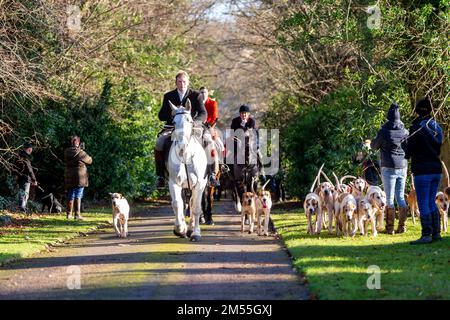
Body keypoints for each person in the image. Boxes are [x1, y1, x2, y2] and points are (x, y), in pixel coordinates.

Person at [154, 71, 207, 188]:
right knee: (159, 143)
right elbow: (161, 115)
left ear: (187, 82)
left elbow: (203, 113)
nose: (182, 84)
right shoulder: (168, 96)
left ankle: (211, 173)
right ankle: (160, 176)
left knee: (209, 141)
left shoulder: (196, 95)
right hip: (173, 127)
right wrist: (175, 115)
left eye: (184, 82)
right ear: (176, 82)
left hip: (192, 126)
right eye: (179, 81)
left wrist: (195, 122)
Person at [402, 97, 443, 245]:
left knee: (424, 203)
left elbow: (409, 150)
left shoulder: (416, 127)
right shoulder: (437, 127)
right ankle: (436, 233)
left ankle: (427, 234)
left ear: (418, 111)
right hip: (436, 169)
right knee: (432, 202)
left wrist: (404, 146)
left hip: (422, 170)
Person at [371, 103, 409, 234]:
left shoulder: (384, 131)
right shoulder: (405, 131)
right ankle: (402, 226)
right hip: (402, 166)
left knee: (389, 198)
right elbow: (408, 148)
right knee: (401, 197)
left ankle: (390, 228)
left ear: (388, 116)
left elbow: (374, 146)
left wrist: (374, 140)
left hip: (388, 166)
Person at [230, 104, 259, 201]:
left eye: (245, 113)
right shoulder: (235, 121)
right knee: (229, 156)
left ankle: (261, 170)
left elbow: (254, 134)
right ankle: (228, 171)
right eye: (242, 113)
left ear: (248, 114)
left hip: (251, 145)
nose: (244, 115)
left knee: (260, 155)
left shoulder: (252, 121)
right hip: (238, 145)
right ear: (240, 114)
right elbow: (232, 134)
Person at [64, 135, 92, 220]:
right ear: (77, 142)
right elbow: (90, 160)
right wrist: (82, 150)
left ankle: (69, 214)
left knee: (70, 194)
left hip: (69, 175)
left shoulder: (66, 151)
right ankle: (77, 214)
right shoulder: (80, 152)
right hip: (80, 176)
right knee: (78, 194)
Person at [200, 86, 220, 187]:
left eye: (205, 92)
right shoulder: (196, 103)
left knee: (216, 145)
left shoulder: (212, 103)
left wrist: (207, 124)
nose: (203, 94)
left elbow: (214, 116)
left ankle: (213, 173)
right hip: (197, 128)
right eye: (201, 92)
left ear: (208, 94)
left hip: (209, 128)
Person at [13, 142, 37, 214]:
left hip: (19, 177)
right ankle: (22, 209)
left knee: (21, 192)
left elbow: (14, 167)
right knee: (25, 194)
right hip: (25, 178)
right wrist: (34, 179)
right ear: (29, 149)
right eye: (31, 149)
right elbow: (29, 169)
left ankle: (21, 208)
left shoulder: (18, 155)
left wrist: (15, 175)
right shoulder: (25, 157)